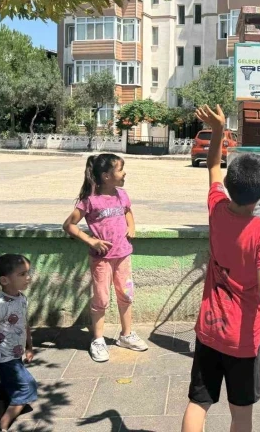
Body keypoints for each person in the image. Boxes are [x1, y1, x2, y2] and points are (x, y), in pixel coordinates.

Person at [181, 104, 260, 432]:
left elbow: (212, 164)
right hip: (242, 341)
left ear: (229, 184)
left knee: (198, 403)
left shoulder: (216, 207)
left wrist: (217, 131)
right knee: (241, 415)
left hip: (208, 331)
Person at [63, 153, 148, 362]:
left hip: (123, 255)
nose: (124, 173)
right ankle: (98, 339)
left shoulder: (122, 195)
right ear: (106, 175)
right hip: (102, 259)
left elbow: (127, 211)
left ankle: (126, 335)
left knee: (126, 295)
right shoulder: (90, 200)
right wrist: (91, 241)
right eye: (120, 169)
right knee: (101, 298)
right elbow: (69, 225)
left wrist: (132, 226)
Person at [0, 254, 38, 432]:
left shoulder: (21, 298)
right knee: (27, 386)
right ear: (4, 280)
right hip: (3, 357)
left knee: (12, 384)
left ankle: (6, 399)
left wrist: (29, 346)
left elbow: (24, 323)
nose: (28, 278)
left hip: (15, 353)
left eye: (28, 273)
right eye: (22, 274)